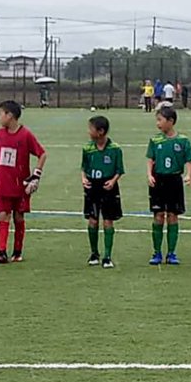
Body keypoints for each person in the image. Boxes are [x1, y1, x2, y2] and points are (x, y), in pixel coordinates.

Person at [0, 100, 47, 264]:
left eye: (1, 114)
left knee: (18, 217)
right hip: (3, 183)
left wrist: (36, 175)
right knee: (3, 215)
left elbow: (42, 154)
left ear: (10, 116)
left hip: (20, 184)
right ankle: (1, 252)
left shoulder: (25, 135)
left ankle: (17, 251)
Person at [146, 105, 191, 265]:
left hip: (174, 180)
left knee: (173, 215)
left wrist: (188, 174)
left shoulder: (183, 140)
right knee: (158, 215)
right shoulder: (154, 140)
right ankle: (157, 252)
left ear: (171, 121)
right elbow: (150, 159)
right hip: (158, 180)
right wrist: (149, 175)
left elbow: (189, 160)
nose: (157, 123)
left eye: (160, 120)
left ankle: (172, 253)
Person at [82, 115, 123, 268]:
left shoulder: (115, 149)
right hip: (92, 187)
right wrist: (84, 178)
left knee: (108, 220)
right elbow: (84, 167)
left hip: (108, 187)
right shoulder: (87, 148)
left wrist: (113, 181)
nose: (88, 132)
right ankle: (94, 253)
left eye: (90, 129)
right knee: (93, 220)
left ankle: (107, 256)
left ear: (100, 131)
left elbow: (119, 169)